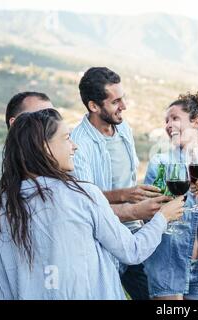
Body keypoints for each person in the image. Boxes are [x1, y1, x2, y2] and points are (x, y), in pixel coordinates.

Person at [0, 108, 184, 300]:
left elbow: (3, 286)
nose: (74, 145)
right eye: (66, 137)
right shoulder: (81, 195)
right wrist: (162, 217)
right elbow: (132, 250)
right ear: (44, 147)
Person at [71, 67, 166, 299]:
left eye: (123, 98)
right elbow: (83, 202)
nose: (124, 106)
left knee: (152, 294)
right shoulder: (77, 144)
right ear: (94, 106)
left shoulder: (123, 127)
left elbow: (128, 177)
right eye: (116, 101)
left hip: (133, 232)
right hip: (101, 241)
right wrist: (126, 196)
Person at [143, 92, 198, 300]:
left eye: (175, 118)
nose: (168, 124)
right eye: (166, 120)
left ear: (195, 122)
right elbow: (147, 213)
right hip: (167, 263)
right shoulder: (160, 163)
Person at [0, 92, 54, 299]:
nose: (48, 123)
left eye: (51, 116)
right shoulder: (11, 164)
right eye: (41, 116)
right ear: (15, 124)